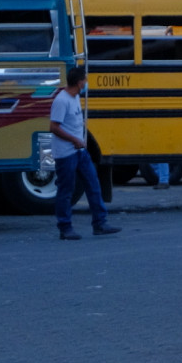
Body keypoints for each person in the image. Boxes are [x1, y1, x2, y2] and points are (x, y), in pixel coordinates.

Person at [50, 66, 118, 239]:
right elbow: (54, 127)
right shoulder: (62, 101)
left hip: (80, 152)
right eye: (85, 80)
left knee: (93, 184)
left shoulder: (74, 98)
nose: (86, 83)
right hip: (66, 154)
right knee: (66, 190)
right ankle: (65, 227)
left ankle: (100, 222)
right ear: (79, 83)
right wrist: (74, 139)